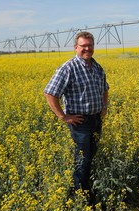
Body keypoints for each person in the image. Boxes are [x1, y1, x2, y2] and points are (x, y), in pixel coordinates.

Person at [43, 32, 109, 197]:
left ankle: (86, 189)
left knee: (90, 157)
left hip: (96, 119)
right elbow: (50, 93)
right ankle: (80, 196)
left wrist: (104, 106)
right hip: (80, 122)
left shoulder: (97, 67)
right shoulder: (68, 68)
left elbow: (105, 88)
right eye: (83, 46)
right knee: (82, 160)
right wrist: (63, 116)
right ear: (76, 47)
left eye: (90, 45)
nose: (87, 49)